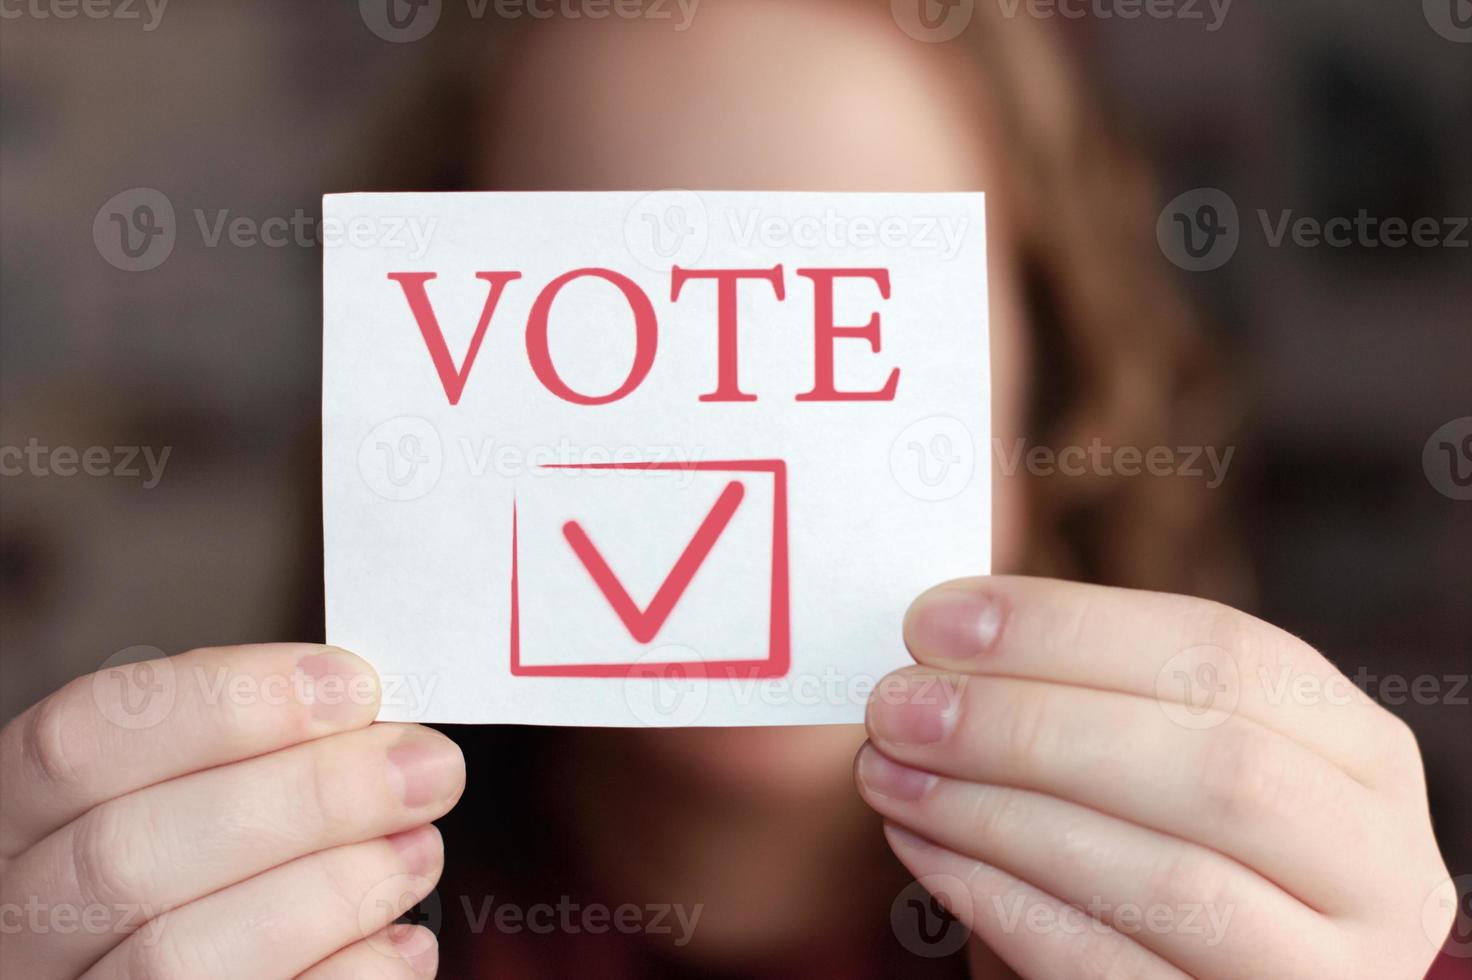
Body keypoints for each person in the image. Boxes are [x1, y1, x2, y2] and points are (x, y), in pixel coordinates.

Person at [0, 2, 1457, 978]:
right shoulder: (231, 927)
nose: (720, 438)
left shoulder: (1279, 925)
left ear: (1044, 385)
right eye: (600, 310)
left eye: (833, 315)